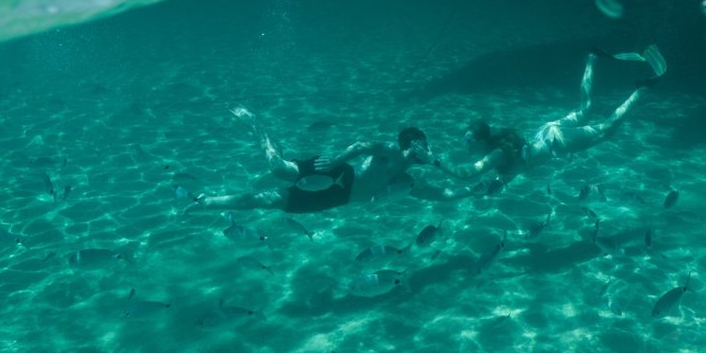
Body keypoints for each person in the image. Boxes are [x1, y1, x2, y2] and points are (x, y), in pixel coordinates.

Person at [439, 45, 666, 188]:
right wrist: (499, 182)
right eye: (464, 139)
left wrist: (434, 161)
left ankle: (644, 89)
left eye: (468, 139)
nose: (464, 143)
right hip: (548, 132)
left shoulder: (496, 154)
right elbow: (515, 167)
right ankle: (592, 59)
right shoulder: (498, 144)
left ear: (480, 141)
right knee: (586, 108)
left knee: (608, 129)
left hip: (556, 142)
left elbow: (467, 174)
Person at [194, 112, 432, 216]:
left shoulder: (407, 180)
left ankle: (207, 203)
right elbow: (361, 146)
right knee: (277, 168)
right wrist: (335, 162)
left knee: (267, 202)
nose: (425, 150)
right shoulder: (391, 150)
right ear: (409, 143)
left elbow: (440, 194)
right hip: (337, 173)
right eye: (421, 144)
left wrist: (468, 190)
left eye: (426, 146)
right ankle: (255, 124)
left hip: (335, 198)